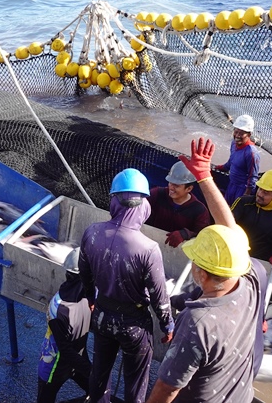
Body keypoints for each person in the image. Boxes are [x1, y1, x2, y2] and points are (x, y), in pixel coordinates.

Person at [147, 137, 264, 403]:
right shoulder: (253, 278)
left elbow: (167, 388)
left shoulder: (197, 322)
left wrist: (204, 178)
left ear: (202, 274)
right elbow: (231, 230)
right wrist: (205, 177)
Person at [79, 168, 174, 403]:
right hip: (134, 325)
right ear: (143, 206)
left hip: (102, 316)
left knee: (99, 375)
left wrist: (91, 300)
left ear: (114, 201)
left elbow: (85, 274)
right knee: (135, 383)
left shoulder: (91, 233)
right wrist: (168, 325)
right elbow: (159, 297)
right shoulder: (148, 248)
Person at [37, 250, 92, 403]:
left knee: (96, 390)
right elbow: (65, 350)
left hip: (78, 357)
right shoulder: (59, 308)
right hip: (54, 366)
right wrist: (91, 370)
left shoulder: (88, 296)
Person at [231, 168, 272, 268]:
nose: (260, 194)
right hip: (232, 254)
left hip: (258, 264)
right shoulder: (242, 202)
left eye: (266, 192)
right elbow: (226, 222)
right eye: (260, 189)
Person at [146, 161, 211, 247]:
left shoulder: (199, 211)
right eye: (170, 183)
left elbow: (202, 237)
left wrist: (186, 234)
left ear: (189, 189)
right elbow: (138, 210)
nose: (171, 188)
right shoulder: (157, 194)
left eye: (176, 186)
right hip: (150, 244)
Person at [213, 114, 260, 205]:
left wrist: (245, 197)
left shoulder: (251, 153)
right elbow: (231, 162)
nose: (237, 135)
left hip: (242, 189)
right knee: (225, 208)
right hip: (232, 185)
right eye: (236, 131)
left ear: (249, 134)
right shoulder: (234, 144)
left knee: (235, 212)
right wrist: (218, 167)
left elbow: (253, 178)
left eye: (241, 133)